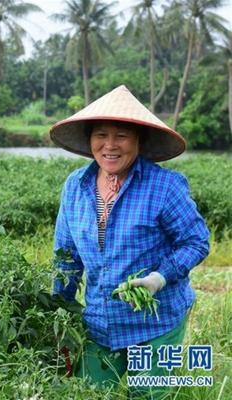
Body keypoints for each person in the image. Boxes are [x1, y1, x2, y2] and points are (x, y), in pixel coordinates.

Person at [49, 85, 209, 398]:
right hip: (99, 320)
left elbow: (196, 242)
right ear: (89, 140)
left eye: (121, 135)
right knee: (90, 393)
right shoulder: (75, 187)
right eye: (101, 135)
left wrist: (157, 279)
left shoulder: (164, 186)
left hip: (156, 320)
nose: (110, 145)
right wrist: (58, 312)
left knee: (148, 395)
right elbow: (65, 258)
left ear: (138, 140)